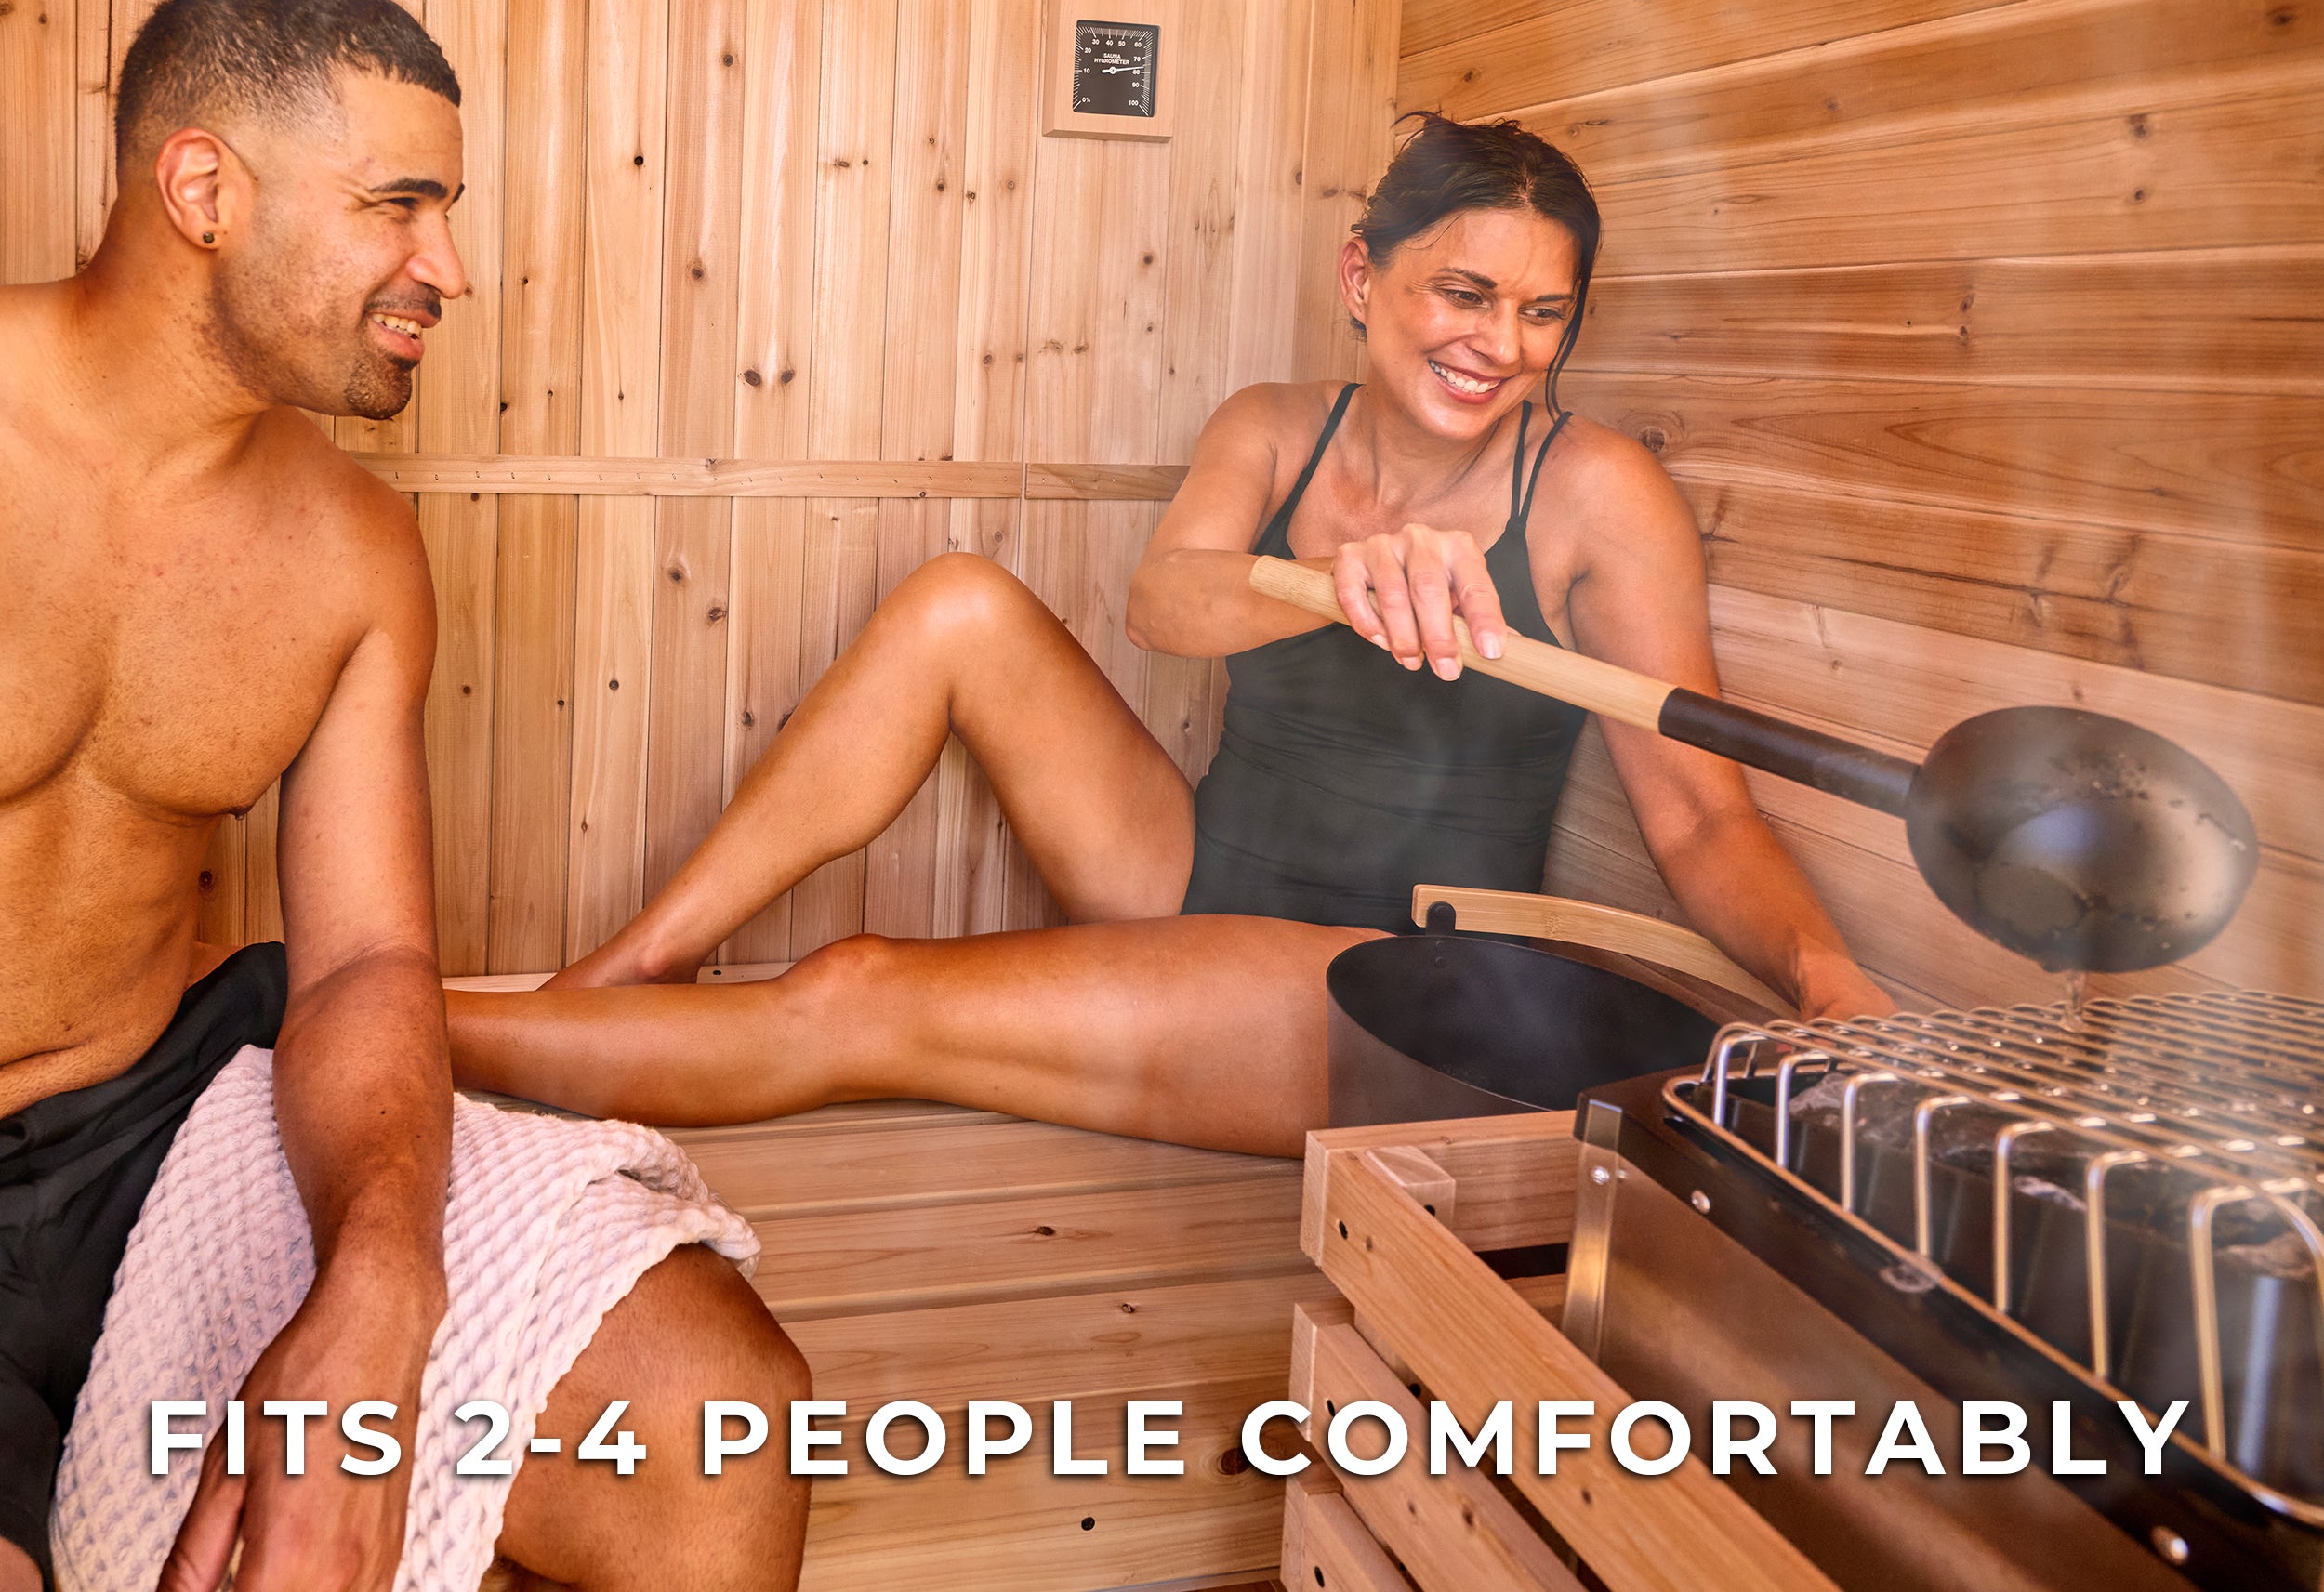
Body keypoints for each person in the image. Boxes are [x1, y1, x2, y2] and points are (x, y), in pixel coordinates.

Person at [448, 116, 1890, 1155]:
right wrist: (1339, 577)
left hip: (1374, 980)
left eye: (1540, 313)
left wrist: (1820, 975)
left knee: (855, 989)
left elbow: (1699, 817)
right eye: (1464, 292)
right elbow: (1166, 598)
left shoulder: (1593, 497)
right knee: (959, 599)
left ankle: (383, 1027)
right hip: (1196, 872)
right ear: (1362, 279)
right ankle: (626, 975)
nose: (1498, 343)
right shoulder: (1274, 427)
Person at [0, 0, 807, 1592]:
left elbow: (368, 959)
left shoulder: (353, 550)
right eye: (398, 206)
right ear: (205, 190)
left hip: (149, 1120)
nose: (446, 265)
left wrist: (379, 1290)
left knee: (720, 1413)